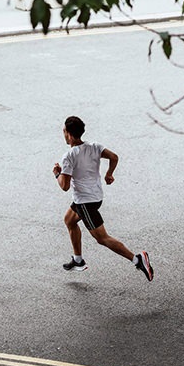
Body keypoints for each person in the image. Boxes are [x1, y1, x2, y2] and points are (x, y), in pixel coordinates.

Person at [52, 116, 154, 282]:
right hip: (96, 197)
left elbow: (64, 186)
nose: (63, 134)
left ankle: (137, 259)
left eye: (64, 131)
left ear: (69, 134)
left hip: (85, 202)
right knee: (69, 220)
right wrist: (109, 174)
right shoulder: (94, 146)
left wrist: (57, 173)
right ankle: (78, 260)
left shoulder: (69, 156)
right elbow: (114, 157)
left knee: (102, 238)